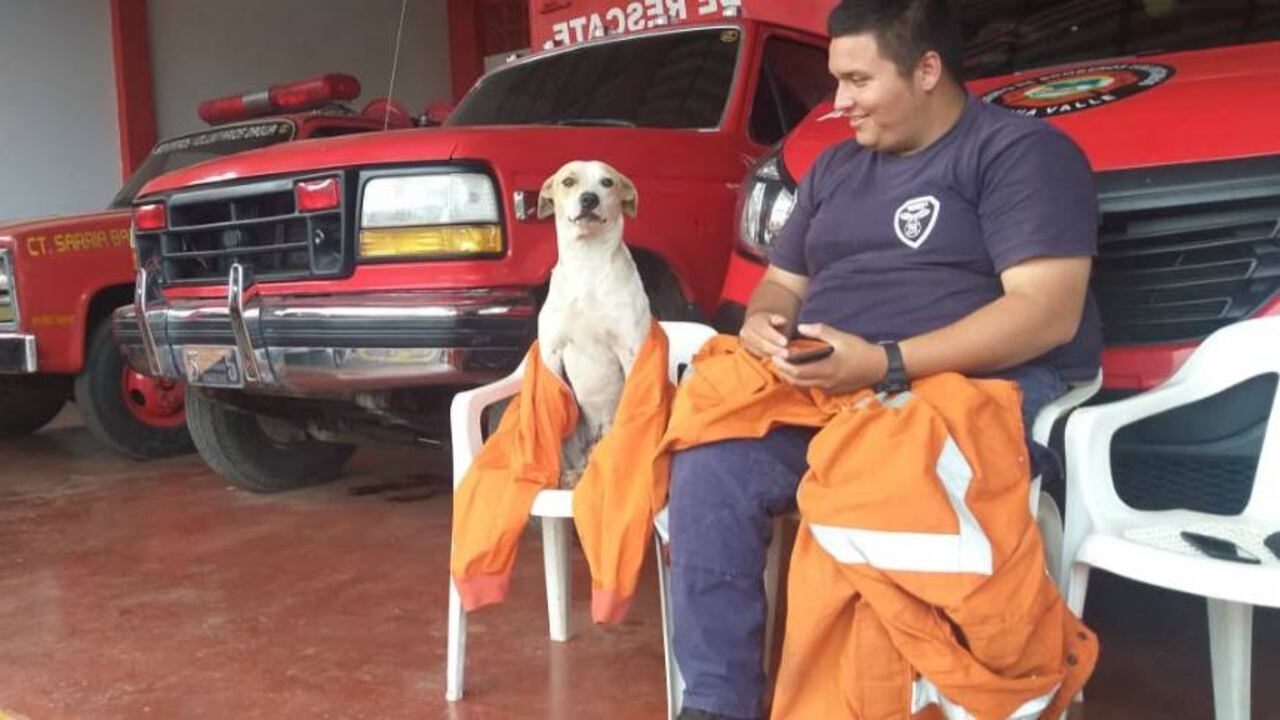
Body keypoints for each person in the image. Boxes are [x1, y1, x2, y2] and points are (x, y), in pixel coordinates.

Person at [667, 1, 1102, 718]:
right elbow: (782, 284)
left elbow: (1045, 311)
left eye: (859, 81)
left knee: (873, 484)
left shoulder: (1019, 154)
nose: (839, 102)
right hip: (827, 386)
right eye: (837, 81)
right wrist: (768, 324)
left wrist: (886, 363)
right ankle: (716, 704)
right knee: (711, 462)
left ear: (927, 70)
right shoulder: (836, 168)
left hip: (957, 392)